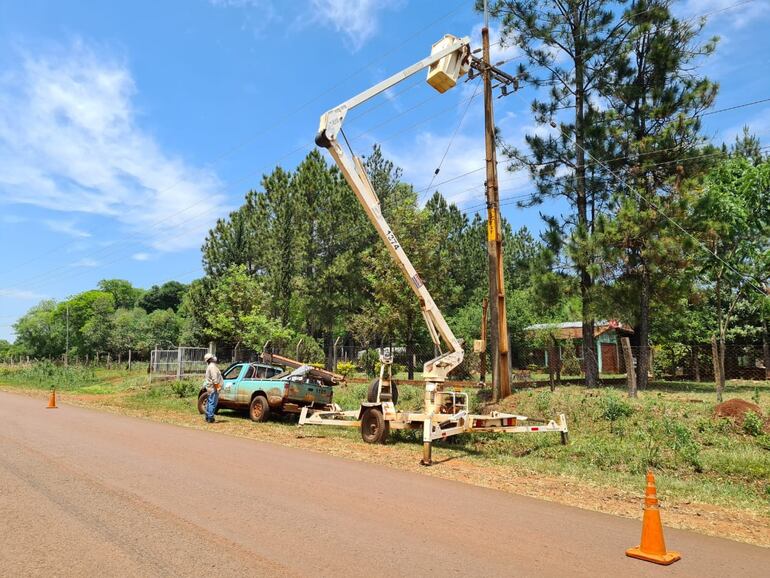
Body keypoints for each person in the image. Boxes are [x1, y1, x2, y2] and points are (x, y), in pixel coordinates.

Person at [203, 353, 223, 423]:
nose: (214, 358)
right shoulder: (212, 367)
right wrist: (218, 387)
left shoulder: (210, 366)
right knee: (212, 403)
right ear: (210, 359)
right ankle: (210, 418)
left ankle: (207, 416)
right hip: (213, 388)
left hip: (210, 387)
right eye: (212, 357)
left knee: (210, 402)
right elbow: (215, 379)